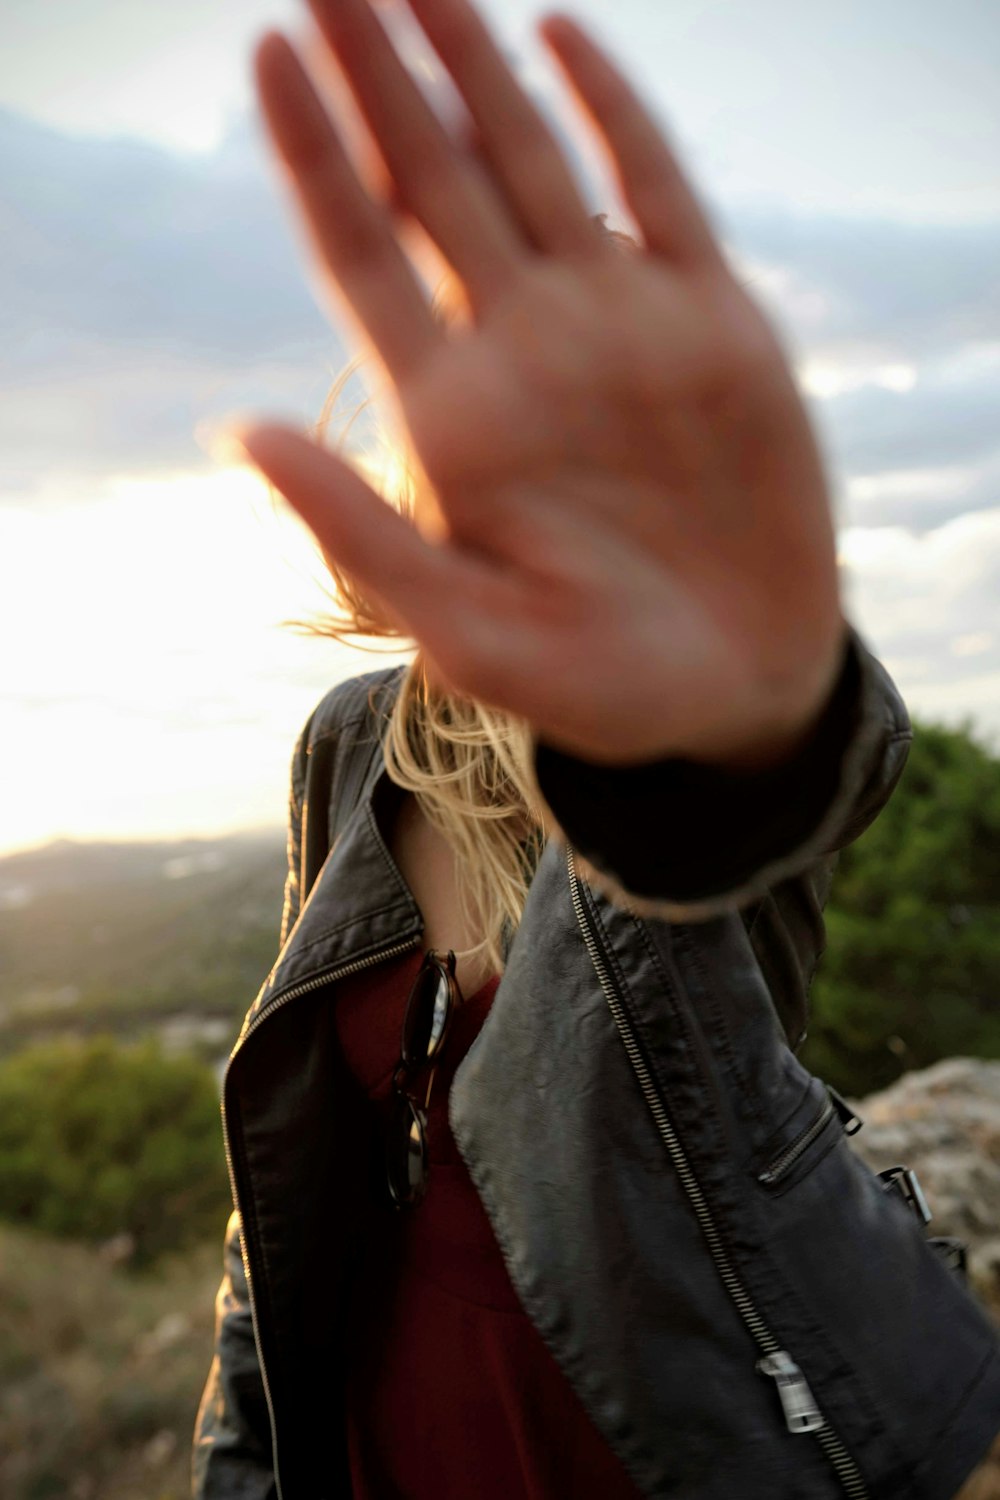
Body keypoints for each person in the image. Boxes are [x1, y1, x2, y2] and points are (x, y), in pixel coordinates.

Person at [191, 1, 1000, 1495]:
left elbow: (792, 769)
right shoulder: (351, 744)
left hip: (682, 1417)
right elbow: (293, 1147)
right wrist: (245, 1457)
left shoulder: (689, 740)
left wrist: (753, 699)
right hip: (395, 1404)